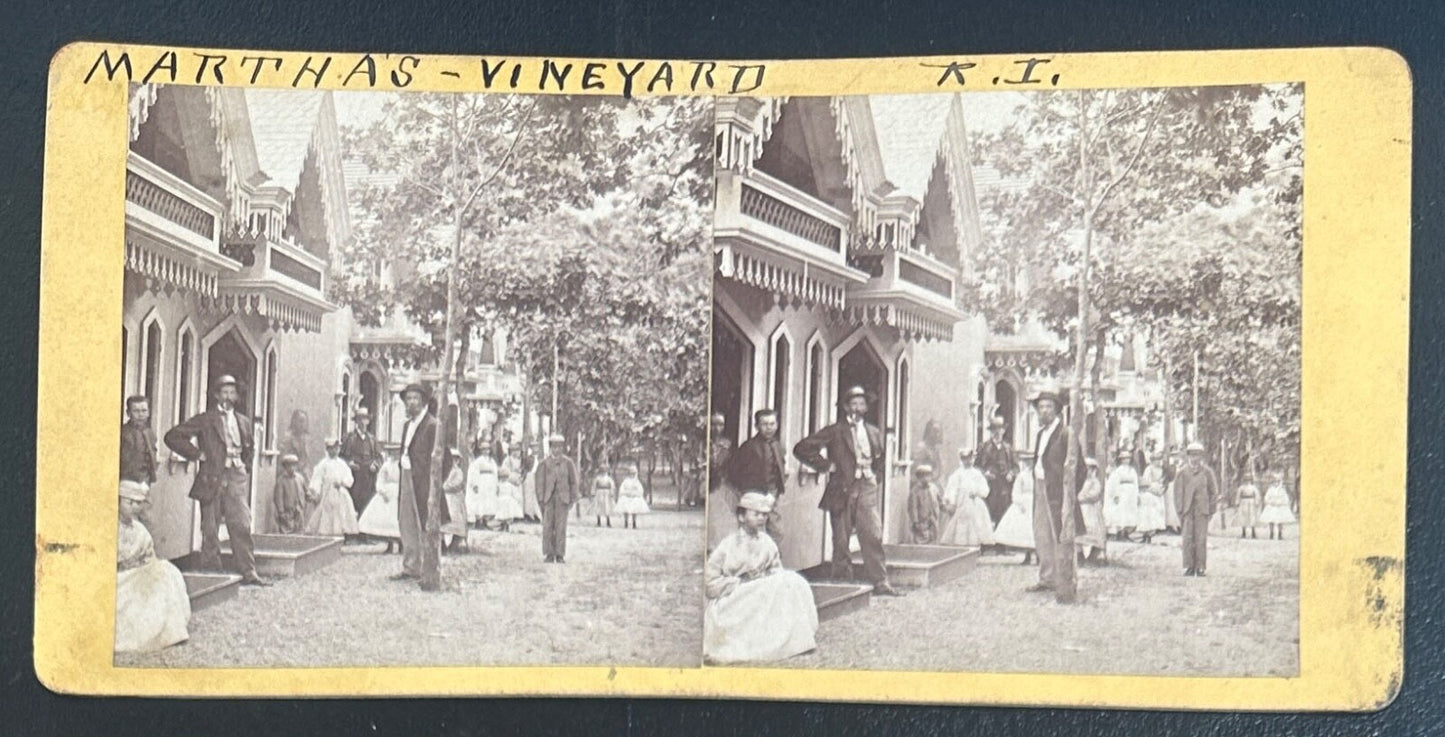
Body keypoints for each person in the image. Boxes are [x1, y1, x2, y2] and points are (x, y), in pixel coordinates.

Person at [793, 385, 903, 597]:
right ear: (845, 407)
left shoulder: (873, 432)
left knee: (872, 534)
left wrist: (874, 476)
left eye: (861, 404)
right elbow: (802, 448)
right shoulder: (835, 431)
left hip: (867, 487)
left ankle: (880, 582)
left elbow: (880, 459)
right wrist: (827, 466)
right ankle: (843, 585)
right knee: (841, 540)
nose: (858, 408)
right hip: (842, 489)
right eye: (853, 404)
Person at [163, 374, 269, 586]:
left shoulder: (244, 421)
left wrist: (244, 466)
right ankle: (212, 575)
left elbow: (249, 448)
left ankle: (248, 572)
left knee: (241, 523)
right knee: (210, 527)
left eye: (232, 392)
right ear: (216, 395)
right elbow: (173, 436)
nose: (228, 397)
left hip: (236, 476)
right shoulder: (206, 419)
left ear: (237, 396)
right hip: (212, 477)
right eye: (224, 392)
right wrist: (197, 454)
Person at [703, 491, 818, 664]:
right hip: (735, 599)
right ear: (741, 517)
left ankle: (797, 638)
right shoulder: (728, 545)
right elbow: (710, 584)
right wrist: (739, 581)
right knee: (781, 583)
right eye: (756, 514)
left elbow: (776, 571)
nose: (761, 518)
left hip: (761, 594)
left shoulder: (767, 543)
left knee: (794, 580)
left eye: (764, 515)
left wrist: (764, 577)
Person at [115, 480, 190, 653]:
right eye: (129, 502)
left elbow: (150, 558)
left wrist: (144, 565)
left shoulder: (140, 530)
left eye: (138, 503)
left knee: (167, 570)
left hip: (137, 576)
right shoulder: (110, 528)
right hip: (119, 579)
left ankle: (171, 629)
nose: (134, 507)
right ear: (118, 501)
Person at [1026, 390, 1087, 593]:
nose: (1044, 410)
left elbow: (1081, 469)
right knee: (1041, 533)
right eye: (1041, 407)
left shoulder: (1065, 434)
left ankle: (1065, 578)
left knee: (1061, 535)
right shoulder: (1040, 434)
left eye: (1048, 407)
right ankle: (1047, 578)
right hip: (1040, 487)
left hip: (1058, 493)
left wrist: (1069, 493)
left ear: (1057, 410)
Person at [392, 383, 447, 581]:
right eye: (408, 399)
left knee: (426, 523)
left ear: (423, 401)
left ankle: (429, 568)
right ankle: (410, 566)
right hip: (407, 478)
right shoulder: (407, 425)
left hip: (424, 483)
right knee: (406, 522)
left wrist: (436, 484)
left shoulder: (432, 425)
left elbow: (444, 458)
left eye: (415, 398)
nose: (411, 402)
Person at [725, 408, 788, 547]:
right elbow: (733, 473)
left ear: (777, 425)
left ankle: (770, 565)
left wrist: (775, 493)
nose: (769, 428)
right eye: (765, 424)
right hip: (753, 497)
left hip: (771, 498)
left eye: (772, 424)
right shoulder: (748, 447)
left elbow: (780, 473)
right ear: (757, 426)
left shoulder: (778, 446)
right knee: (753, 536)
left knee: (777, 534)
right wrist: (746, 494)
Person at [1174, 441, 1220, 576]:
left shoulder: (1207, 472)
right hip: (1187, 509)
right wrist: (1180, 510)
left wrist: (1212, 509)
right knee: (1187, 538)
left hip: (1202, 509)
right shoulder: (1182, 472)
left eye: (1198, 455)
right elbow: (1178, 492)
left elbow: (1213, 492)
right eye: (1192, 455)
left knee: (1200, 538)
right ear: (1188, 456)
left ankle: (1200, 567)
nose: (1195, 458)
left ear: (1202, 457)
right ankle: (1189, 566)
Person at [536, 432, 579, 563]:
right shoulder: (544, 463)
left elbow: (573, 482)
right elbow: (539, 482)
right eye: (554, 447)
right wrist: (541, 499)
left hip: (563, 498)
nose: (557, 449)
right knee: (548, 526)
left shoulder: (568, 463)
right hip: (548, 498)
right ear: (550, 447)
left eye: (560, 447)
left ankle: (560, 554)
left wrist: (572, 498)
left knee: (561, 527)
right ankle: (549, 553)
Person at [938, 448, 995, 548]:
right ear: (961, 460)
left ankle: (975, 547)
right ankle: (961, 546)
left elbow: (985, 489)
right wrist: (951, 502)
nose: (968, 461)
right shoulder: (957, 474)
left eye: (970, 459)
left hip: (974, 503)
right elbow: (952, 489)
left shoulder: (977, 474)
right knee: (961, 523)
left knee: (976, 523)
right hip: (961, 502)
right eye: (965, 459)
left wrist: (977, 492)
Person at [307, 437, 359, 538]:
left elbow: (349, 479)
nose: (334, 451)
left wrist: (342, 482)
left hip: (340, 492)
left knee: (341, 513)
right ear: (327, 450)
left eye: (336, 449)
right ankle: (327, 535)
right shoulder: (323, 464)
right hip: (328, 492)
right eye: (331, 449)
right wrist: (315, 491)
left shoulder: (342, 464)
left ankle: (340, 536)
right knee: (327, 512)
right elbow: (317, 479)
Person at [993, 452, 1038, 564]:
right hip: (1024, 502)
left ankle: (1038, 555)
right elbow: (1016, 491)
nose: (1030, 463)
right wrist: (1019, 502)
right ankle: (1027, 554)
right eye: (1028, 461)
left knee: (1037, 529)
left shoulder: (1040, 474)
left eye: (1032, 460)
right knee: (1025, 529)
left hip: (1037, 500)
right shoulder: (1022, 475)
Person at [340, 407, 383, 517]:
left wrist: (375, 465)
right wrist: (349, 464)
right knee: (353, 503)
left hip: (369, 476)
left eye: (365, 419)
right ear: (356, 422)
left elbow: (379, 458)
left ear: (368, 421)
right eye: (360, 419)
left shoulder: (372, 439)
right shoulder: (349, 438)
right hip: (354, 475)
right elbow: (341, 457)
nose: (363, 422)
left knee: (367, 504)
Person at [975, 415, 1016, 527]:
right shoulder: (984, 447)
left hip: (1004, 487)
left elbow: (1016, 467)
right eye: (994, 429)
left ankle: (999, 542)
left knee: (1003, 515)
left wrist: (1011, 474)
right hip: (989, 486)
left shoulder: (1008, 448)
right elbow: (976, 467)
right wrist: (985, 474)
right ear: (991, 431)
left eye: (1000, 429)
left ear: (1004, 430)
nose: (997, 432)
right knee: (988, 513)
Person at [358, 450, 402, 553]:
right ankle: (389, 544)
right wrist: (382, 491)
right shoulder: (386, 465)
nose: (395, 455)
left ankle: (401, 544)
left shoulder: (403, 465)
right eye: (393, 453)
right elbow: (380, 480)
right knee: (386, 519)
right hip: (388, 491)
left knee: (399, 519)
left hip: (399, 491)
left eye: (397, 452)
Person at [120, 395, 157, 485]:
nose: (140, 415)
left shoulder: (149, 433)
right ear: (128, 413)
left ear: (148, 413)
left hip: (145, 481)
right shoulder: (123, 432)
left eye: (144, 411)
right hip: (126, 480)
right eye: (136, 411)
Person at [1104, 449, 1140, 541]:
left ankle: (1127, 533)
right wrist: (1116, 495)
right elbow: (1115, 483)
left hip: (1131, 493)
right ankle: (1120, 533)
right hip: (1122, 492)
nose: (1126, 460)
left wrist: (1137, 494)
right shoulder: (1118, 471)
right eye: (1124, 459)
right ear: (1121, 460)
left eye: (1128, 458)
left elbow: (1135, 482)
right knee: (1122, 512)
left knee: (1130, 512)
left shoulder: (1132, 470)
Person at [1076, 457, 1107, 563]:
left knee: (1093, 529)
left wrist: (1083, 497)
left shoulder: (1095, 482)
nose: (1087, 471)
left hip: (1091, 509)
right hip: (1080, 509)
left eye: (1089, 469)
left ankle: (1096, 553)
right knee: (1079, 531)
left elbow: (1095, 494)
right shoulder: (1079, 481)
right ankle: (1079, 553)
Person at [441, 447, 469, 553]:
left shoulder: (458, 472)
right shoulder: (443, 470)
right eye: (451, 459)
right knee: (444, 521)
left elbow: (457, 484)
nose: (453, 461)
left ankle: (455, 542)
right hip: (445, 498)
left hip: (455, 498)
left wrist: (445, 487)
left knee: (456, 519)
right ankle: (442, 543)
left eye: (455, 459)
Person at [465, 445, 500, 528]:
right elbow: (474, 472)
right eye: (484, 449)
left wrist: (497, 485)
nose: (486, 451)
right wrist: (475, 484)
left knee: (489, 502)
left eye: (487, 449)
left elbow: (495, 473)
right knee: (480, 501)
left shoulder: (492, 461)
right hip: (482, 482)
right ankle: (478, 521)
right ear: (481, 451)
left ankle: (486, 521)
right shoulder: (478, 461)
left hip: (490, 483)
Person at [906, 463, 940, 544]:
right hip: (921, 520)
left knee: (934, 538)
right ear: (919, 477)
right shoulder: (915, 491)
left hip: (933, 519)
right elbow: (912, 507)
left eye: (929, 476)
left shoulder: (933, 488)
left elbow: (939, 500)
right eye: (924, 476)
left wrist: (944, 506)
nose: (927, 479)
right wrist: (915, 521)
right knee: (921, 539)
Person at [272, 453, 306, 534]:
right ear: (285, 467)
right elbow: (278, 498)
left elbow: (305, 491)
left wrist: (312, 497)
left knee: (299, 533)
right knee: (287, 534)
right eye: (289, 466)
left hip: (299, 511)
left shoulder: (300, 478)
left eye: (294, 465)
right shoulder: (281, 481)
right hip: (287, 513)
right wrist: (281, 512)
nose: (292, 468)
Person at [1137, 456, 1167, 543]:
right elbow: (1145, 483)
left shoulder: (1161, 470)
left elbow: (1163, 481)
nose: (1158, 462)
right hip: (1149, 494)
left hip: (1158, 493)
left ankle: (1151, 534)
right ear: (1152, 461)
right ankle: (1145, 534)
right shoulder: (1148, 469)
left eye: (1159, 460)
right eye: (1156, 460)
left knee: (1156, 514)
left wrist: (1161, 489)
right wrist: (1153, 489)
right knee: (1147, 514)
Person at [1259, 471, 1295, 540]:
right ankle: (1271, 533)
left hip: (1279, 505)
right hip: (1272, 505)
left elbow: (1285, 498)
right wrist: (1270, 502)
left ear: (1279, 482)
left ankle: (1280, 534)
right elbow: (1266, 497)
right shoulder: (1270, 489)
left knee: (1280, 520)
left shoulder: (1282, 490)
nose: (1276, 483)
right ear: (1273, 483)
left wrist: (1281, 502)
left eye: (1277, 482)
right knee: (1271, 520)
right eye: (1275, 482)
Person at [277, 409, 313, 478]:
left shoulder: (308, 439)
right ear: (294, 422)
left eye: (304, 421)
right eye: (300, 421)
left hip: (305, 473)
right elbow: (283, 458)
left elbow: (308, 459)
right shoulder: (287, 439)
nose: (302, 424)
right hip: (291, 472)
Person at [615, 462, 651, 529]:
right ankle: (626, 522)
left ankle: (634, 523)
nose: (632, 475)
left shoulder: (636, 481)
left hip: (634, 496)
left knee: (635, 509)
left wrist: (635, 493)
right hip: (627, 496)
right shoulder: (626, 481)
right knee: (625, 509)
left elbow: (640, 490)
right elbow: (622, 489)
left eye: (633, 473)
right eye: (631, 473)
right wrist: (626, 493)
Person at [492, 466, 524, 532]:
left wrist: (517, 499)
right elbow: (497, 492)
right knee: (503, 513)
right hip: (504, 500)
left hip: (506, 500)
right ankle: (504, 525)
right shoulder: (500, 485)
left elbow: (514, 493)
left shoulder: (507, 485)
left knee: (506, 513)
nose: (504, 479)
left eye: (505, 477)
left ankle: (506, 526)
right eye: (502, 477)